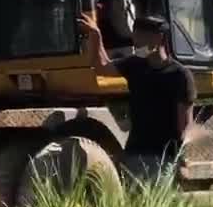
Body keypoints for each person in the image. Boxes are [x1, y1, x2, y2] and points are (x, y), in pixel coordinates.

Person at [79, 12, 197, 185]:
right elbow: (101, 67)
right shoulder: (135, 65)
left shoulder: (180, 75)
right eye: (135, 38)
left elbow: (185, 126)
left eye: (141, 38)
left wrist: (184, 160)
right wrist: (96, 35)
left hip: (162, 159)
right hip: (134, 154)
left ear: (159, 38)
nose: (136, 43)